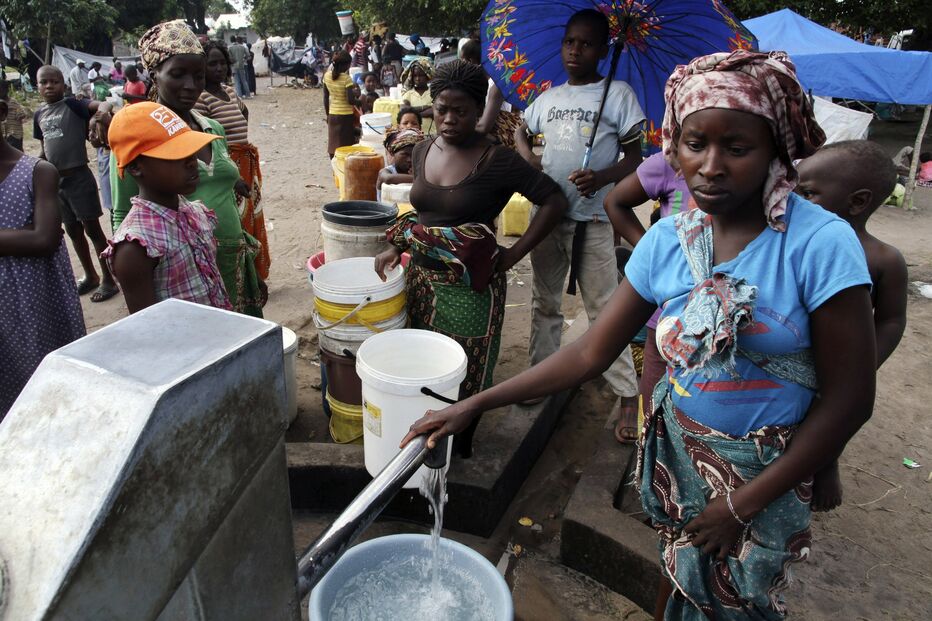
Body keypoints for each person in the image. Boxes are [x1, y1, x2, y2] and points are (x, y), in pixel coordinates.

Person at [406, 49, 877, 621]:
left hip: (764, 478)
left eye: (737, 147)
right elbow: (590, 351)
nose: (711, 166)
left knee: (741, 602)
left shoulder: (819, 245)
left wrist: (742, 504)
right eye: (694, 143)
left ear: (777, 148)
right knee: (678, 577)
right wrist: (475, 404)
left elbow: (851, 396)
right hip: (678, 456)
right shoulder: (667, 241)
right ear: (672, 147)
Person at [374, 60, 569, 458]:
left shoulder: (496, 160)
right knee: (421, 365)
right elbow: (427, 214)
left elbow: (554, 200)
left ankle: (458, 453)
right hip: (420, 282)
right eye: (441, 109)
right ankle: (419, 450)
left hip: (470, 291)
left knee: (463, 375)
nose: (448, 119)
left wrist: (514, 253)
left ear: (479, 109)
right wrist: (398, 245)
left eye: (460, 111)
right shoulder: (425, 148)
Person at [515, 9, 643, 422]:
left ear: (603, 50)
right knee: (544, 301)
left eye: (586, 43)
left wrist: (602, 176)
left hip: (593, 220)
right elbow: (520, 128)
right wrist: (529, 159)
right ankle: (541, 377)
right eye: (570, 41)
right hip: (547, 216)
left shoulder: (618, 94)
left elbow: (636, 158)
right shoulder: (549, 98)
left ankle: (626, 393)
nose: (575, 50)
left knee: (605, 307)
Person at [110, 20, 265, 318]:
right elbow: (122, 216)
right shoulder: (141, 139)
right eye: (178, 74)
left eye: (198, 75)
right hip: (176, 270)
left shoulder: (211, 128)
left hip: (228, 262)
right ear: (154, 74)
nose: (191, 86)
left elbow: (226, 193)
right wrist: (134, 275)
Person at [796, 140, 908, 512]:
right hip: (792, 357)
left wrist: (865, 362)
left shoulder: (883, 258)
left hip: (840, 361)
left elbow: (891, 318)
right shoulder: (794, 243)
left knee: (836, 413)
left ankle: (826, 466)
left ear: (857, 202)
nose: (796, 199)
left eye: (808, 193)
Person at [0, 95, 86, 418]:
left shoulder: (37, 172)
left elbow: (44, 238)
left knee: (49, 397)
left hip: (34, 306)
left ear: (2, 112)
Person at [102, 102, 231, 314]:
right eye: (176, 155)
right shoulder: (135, 247)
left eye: (191, 152)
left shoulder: (194, 212)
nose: (192, 162)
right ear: (135, 167)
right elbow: (148, 325)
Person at [603, 152, 693, 441]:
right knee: (653, 410)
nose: (711, 165)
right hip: (664, 318)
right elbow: (614, 201)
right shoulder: (667, 167)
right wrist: (651, 251)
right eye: (695, 144)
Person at [33, 65, 119, 302]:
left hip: (79, 178)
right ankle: (90, 275)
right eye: (44, 82)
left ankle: (109, 279)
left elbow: (104, 104)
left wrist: (101, 114)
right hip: (56, 183)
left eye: (54, 82)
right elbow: (44, 150)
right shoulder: (39, 115)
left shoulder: (72, 105)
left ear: (64, 84)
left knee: (93, 229)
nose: (49, 86)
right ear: (37, 86)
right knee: (73, 231)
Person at [195, 39, 271, 281]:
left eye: (222, 64)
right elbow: (205, 141)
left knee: (251, 218)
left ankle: (255, 273)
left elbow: (243, 113)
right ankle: (241, 276)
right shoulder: (201, 99)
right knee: (234, 224)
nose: (219, 69)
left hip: (245, 165)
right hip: (227, 171)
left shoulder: (229, 92)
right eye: (212, 64)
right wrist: (231, 167)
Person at [461, 39, 522, 150]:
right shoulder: (476, 83)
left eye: (462, 60)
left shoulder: (496, 84)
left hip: (499, 138)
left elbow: (484, 127)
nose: (460, 64)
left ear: (471, 60)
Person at [323, 51, 361, 158]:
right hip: (345, 115)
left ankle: (334, 163)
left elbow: (325, 98)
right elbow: (350, 100)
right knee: (346, 144)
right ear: (346, 65)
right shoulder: (346, 78)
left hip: (333, 114)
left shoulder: (326, 76)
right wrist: (359, 101)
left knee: (333, 143)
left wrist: (328, 115)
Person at [376, 127, 423, 201]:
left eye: (414, 155)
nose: (410, 159)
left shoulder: (420, 171)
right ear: (392, 152)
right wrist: (416, 178)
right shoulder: (387, 171)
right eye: (405, 154)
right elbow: (388, 179)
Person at [401, 59, 435, 134]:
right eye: (415, 76)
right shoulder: (408, 94)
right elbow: (404, 110)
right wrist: (426, 107)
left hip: (432, 134)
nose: (417, 79)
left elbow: (434, 111)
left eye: (421, 75)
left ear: (427, 75)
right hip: (414, 135)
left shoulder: (434, 93)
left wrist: (413, 114)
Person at [0, 80, 30, 151]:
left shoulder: (13, 102)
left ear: (6, 90)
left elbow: (21, 115)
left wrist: (20, 116)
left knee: (16, 152)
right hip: (3, 135)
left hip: (14, 134)